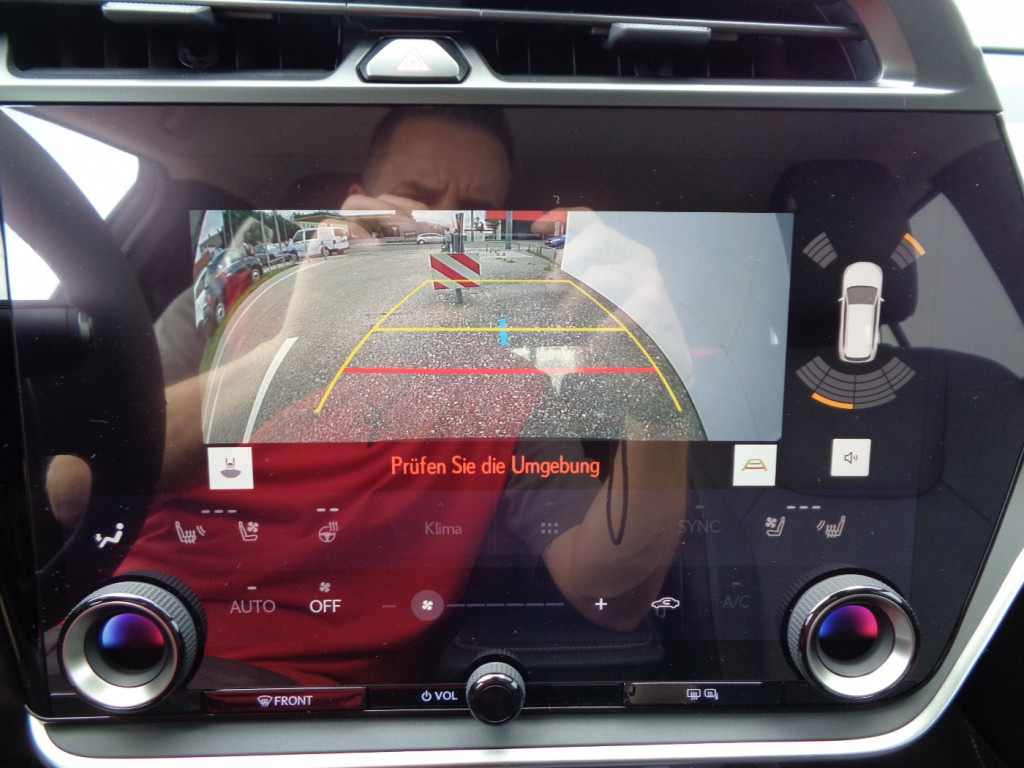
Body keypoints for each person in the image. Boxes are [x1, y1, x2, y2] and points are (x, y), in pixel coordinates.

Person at [51, 106, 689, 686]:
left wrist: (660, 386)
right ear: (357, 202)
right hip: (119, 647)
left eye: (472, 211)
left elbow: (614, 598)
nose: (439, 230)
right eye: (417, 198)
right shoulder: (238, 297)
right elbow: (71, 490)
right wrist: (300, 352)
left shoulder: (511, 376)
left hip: (326, 706)